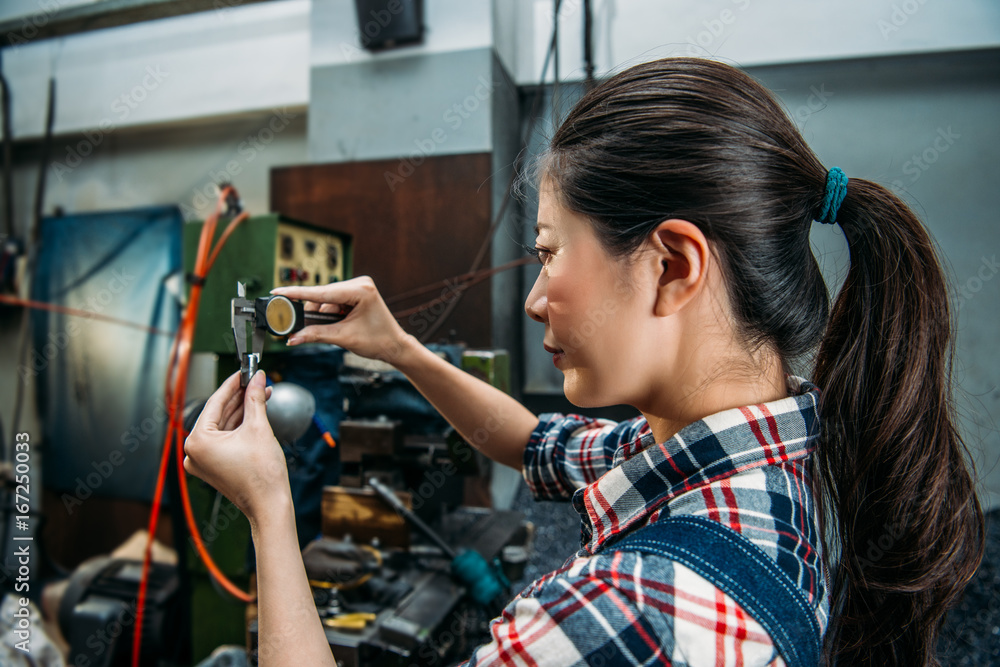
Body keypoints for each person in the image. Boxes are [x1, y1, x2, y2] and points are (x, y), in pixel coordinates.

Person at [182, 58, 984, 666]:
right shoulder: (764, 452)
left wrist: (269, 508)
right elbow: (532, 442)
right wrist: (397, 347)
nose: (534, 299)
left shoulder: (631, 608)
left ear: (671, 264)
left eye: (549, 253)